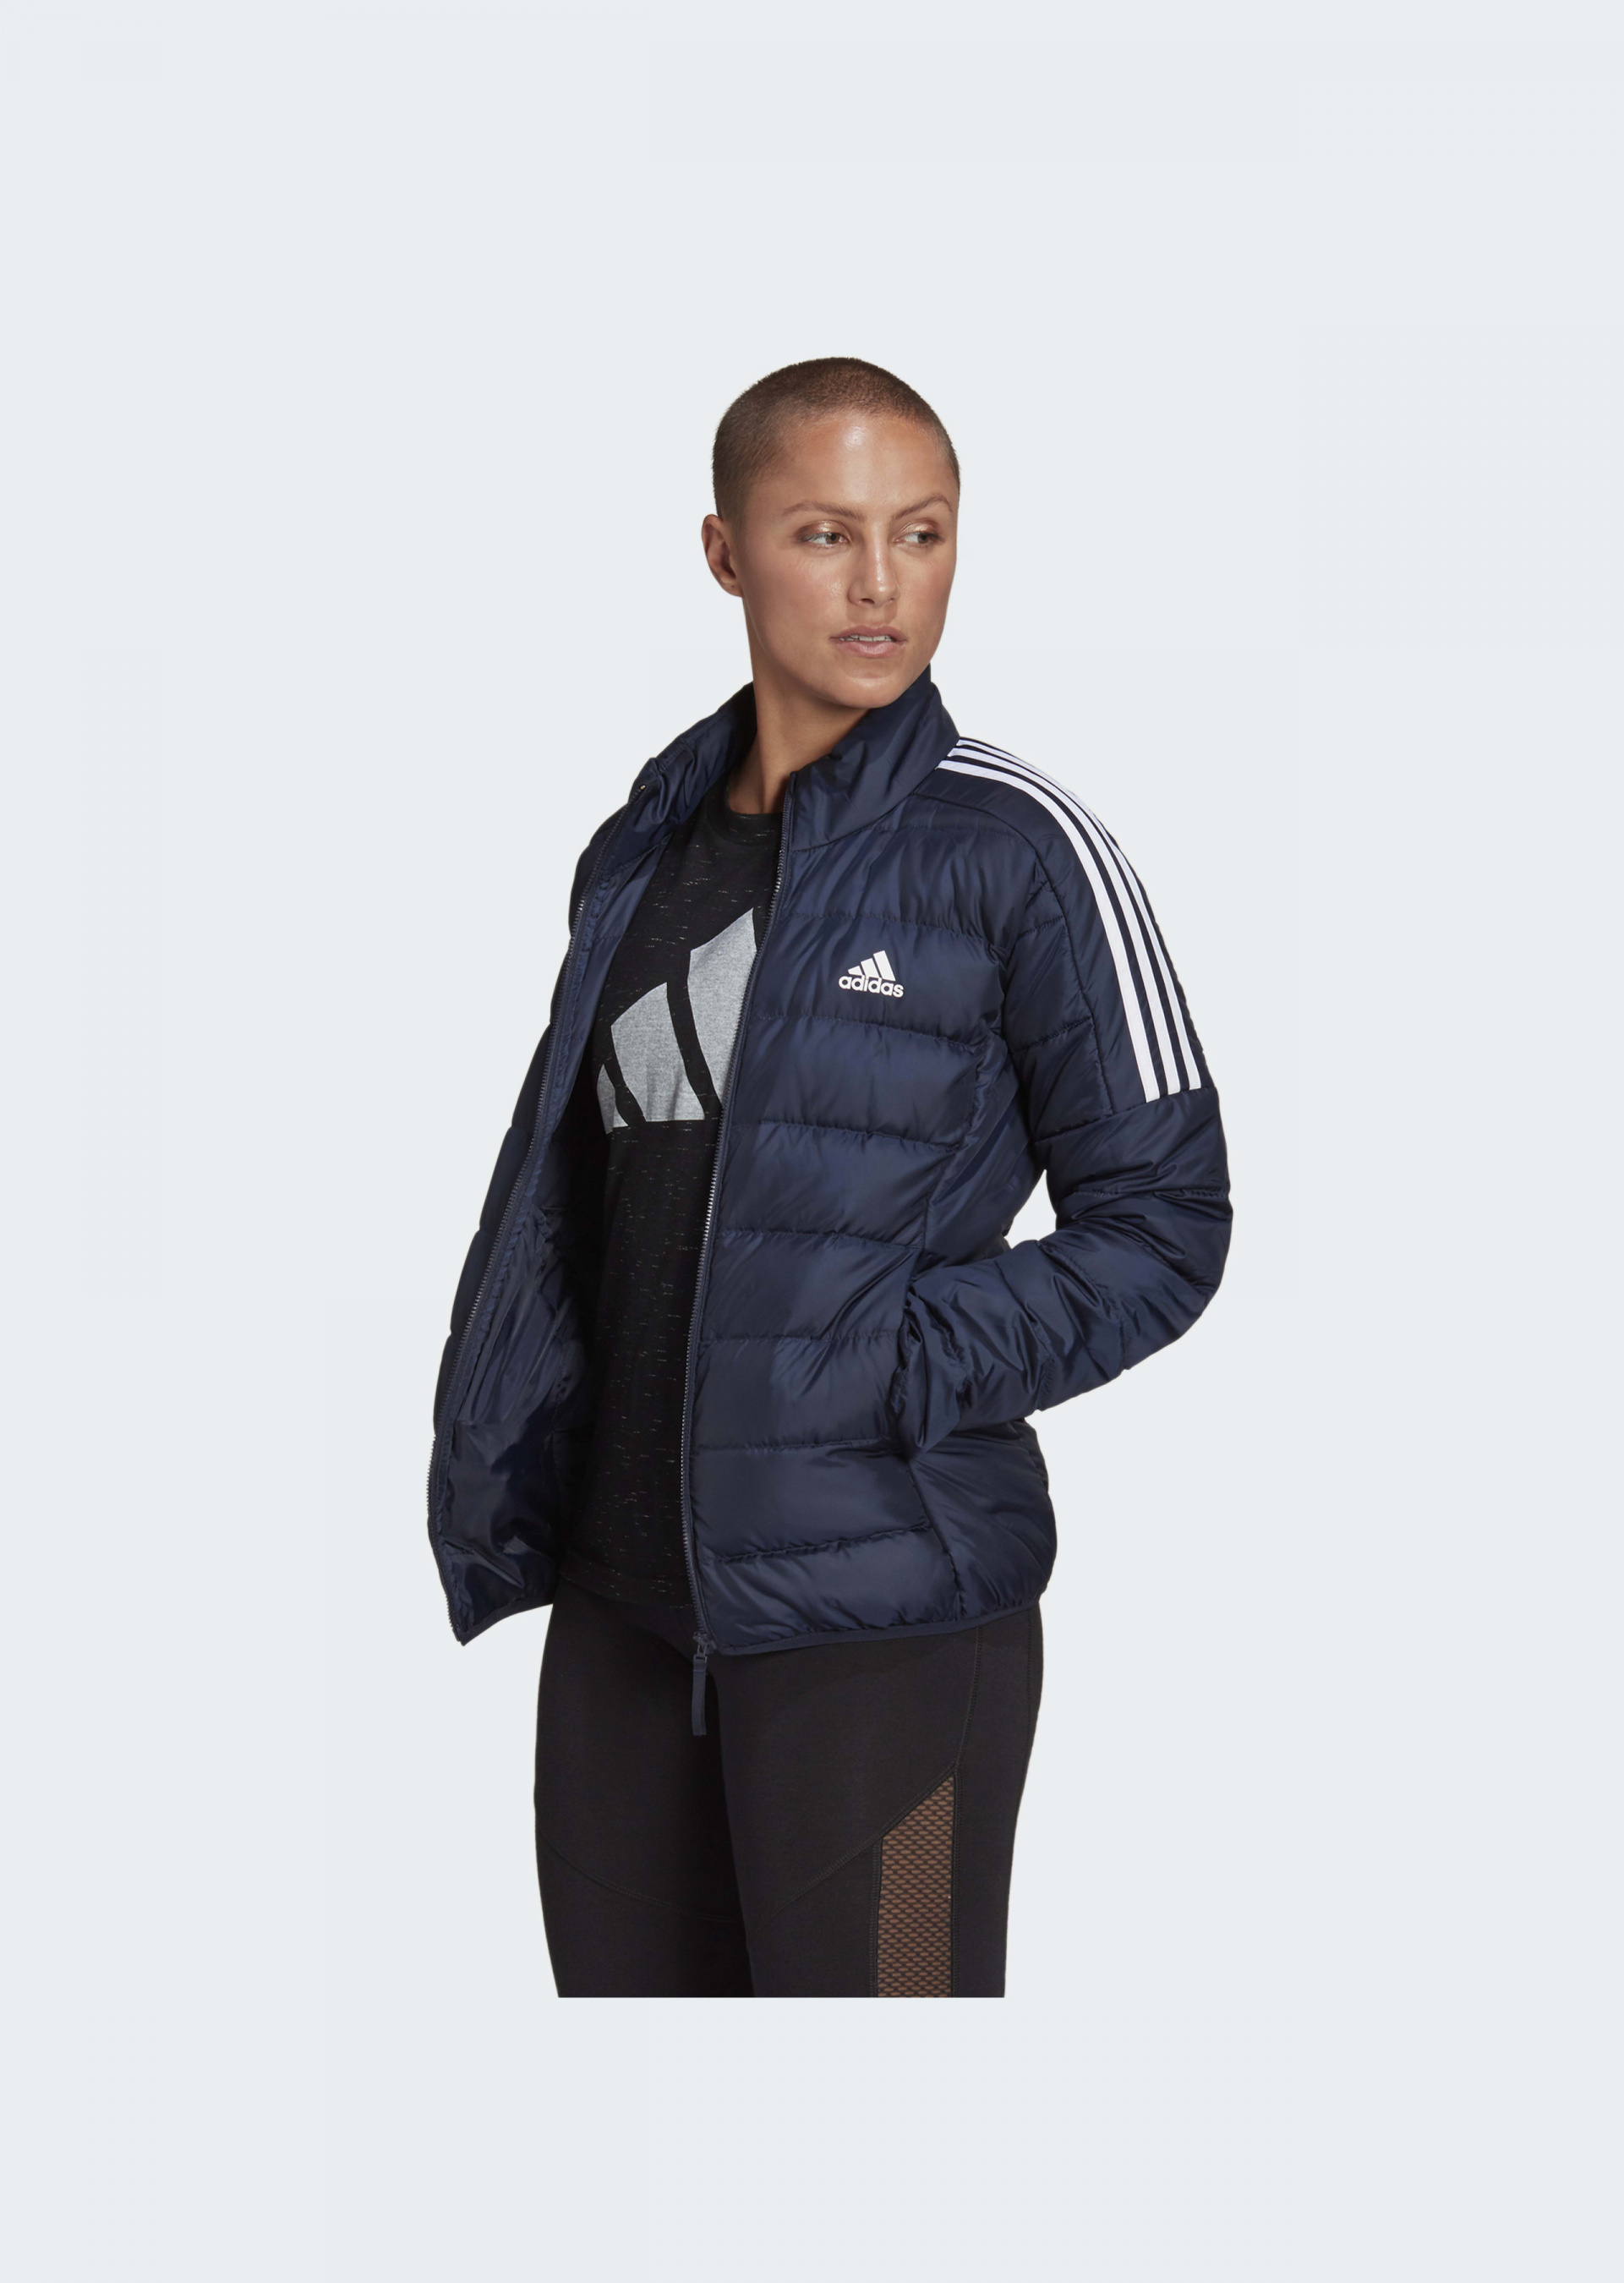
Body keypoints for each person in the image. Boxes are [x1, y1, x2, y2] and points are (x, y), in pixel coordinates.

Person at [427, 358, 1232, 1996]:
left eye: (919, 534)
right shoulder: (638, 847)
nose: (879, 583)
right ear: (725, 552)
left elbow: (1165, 1222)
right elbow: (575, 1203)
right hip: (622, 1609)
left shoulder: (1015, 848)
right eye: (823, 534)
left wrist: (882, 1368)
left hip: (887, 1624)